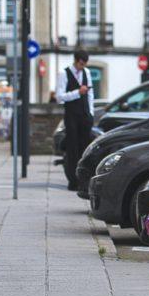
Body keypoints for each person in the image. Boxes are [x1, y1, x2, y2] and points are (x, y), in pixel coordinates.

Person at [55, 49, 95, 191]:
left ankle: (84, 180)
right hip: (71, 116)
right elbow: (59, 97)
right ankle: (73, 181)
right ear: (76, 60)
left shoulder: (87, 73)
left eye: (84, 64)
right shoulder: (64, 74)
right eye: (81, 63)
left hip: (84, 116)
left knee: (85, 148)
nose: (82, 66)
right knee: (72, 148)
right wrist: (77, 93)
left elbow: (90, 95)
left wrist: (91, 113)